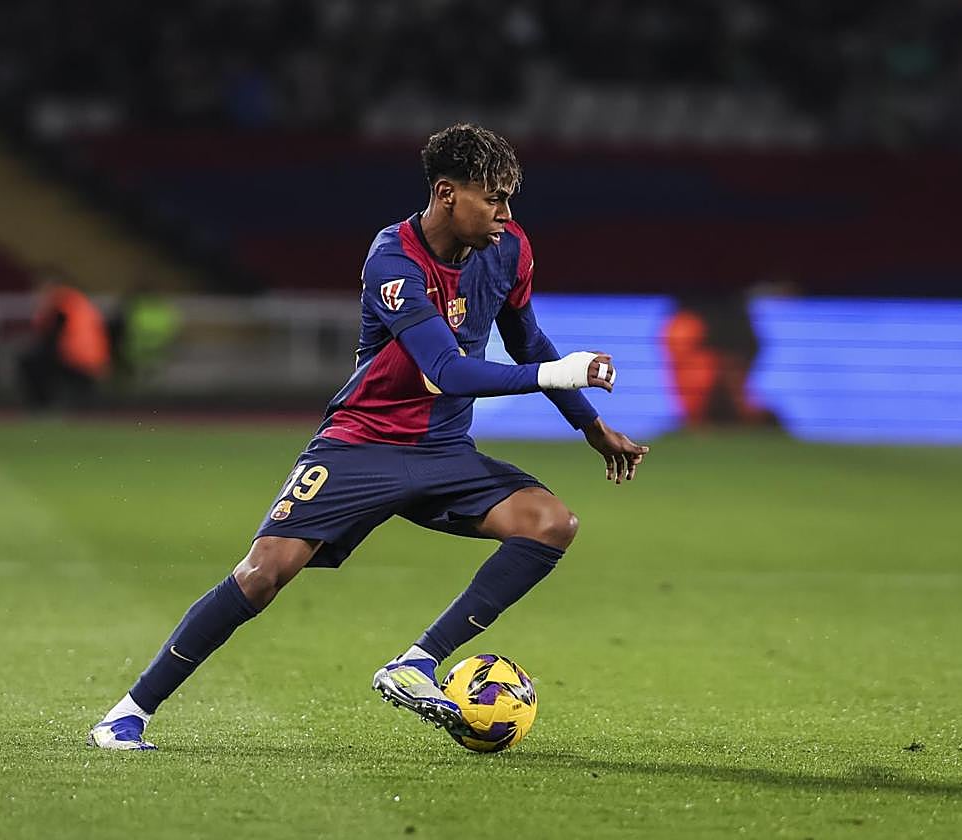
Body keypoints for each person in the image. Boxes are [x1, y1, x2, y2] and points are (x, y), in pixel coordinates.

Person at [88, 124, 650, 750]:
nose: (505, 213)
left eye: (509, 199)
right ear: (446, 194)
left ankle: (417, 662)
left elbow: (527, 340)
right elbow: (446, 371)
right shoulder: (393, 260)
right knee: (263, 573)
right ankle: (128, 713)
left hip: (443, 454)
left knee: (551, 523)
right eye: (492, 198)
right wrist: (565, 372)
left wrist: (591, 426)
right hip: (360, 446)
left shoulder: (510, 248)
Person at [18, 268, 111, 410]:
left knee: (31, 361)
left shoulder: (59, 302)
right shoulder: (75, 300)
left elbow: (49, 335)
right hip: (95, 358)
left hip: (76, 357)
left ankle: (43, 406)